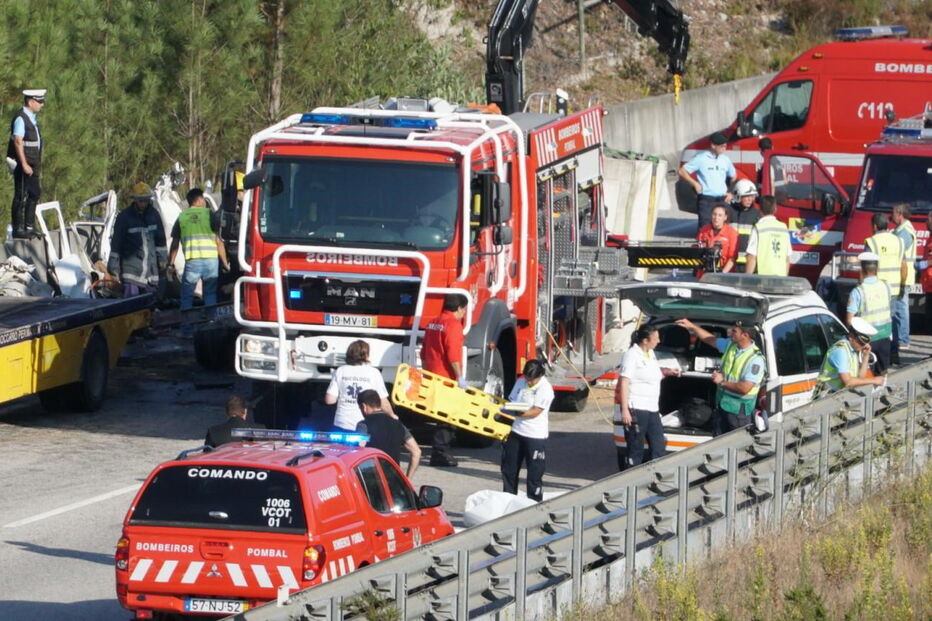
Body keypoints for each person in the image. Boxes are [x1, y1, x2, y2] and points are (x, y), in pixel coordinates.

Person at [674, 318, 765, 435]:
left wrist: (722, 382)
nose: (730, 332)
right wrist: (692, 326)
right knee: (718, 447)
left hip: (739, 414)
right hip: (722, 407)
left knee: (737, 448)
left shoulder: (755, 359)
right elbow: (710, 339)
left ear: (745, 335)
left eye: (734, 331)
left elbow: (745, 388)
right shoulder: (731, 345)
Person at [615, 325, 680, 470]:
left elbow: (651, 374)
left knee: (658, 446)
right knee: (636, 447)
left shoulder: (650, 353)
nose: (658, 341)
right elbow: (624, 382)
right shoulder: (632, 355)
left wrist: (668, 372)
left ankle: (653, 477)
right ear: (645, 340)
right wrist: (625, 409)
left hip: (652, 408)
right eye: (656, 338)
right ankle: (630, 481)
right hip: (636, 407)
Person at [421, 293, 469, 467]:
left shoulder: (433, 322)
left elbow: (424, 351)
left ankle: (439, 451)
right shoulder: (453, 325)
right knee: (448, 416)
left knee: (438, 414)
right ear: (460, 308)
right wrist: (460, 377)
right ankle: (440, 453)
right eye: (464, 310)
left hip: (432, 375)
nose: (464, 313)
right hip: (446, 378)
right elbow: (453, 355)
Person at [168, 188, 229, 313]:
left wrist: (170, 263)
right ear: (200, 200)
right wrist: (224, 262)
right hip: (211, 261)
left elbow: (175, 244)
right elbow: (218, 241)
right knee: (210, 294)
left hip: (192, 262)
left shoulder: (182, 217)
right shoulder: (209, 214)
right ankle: (211, 323)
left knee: (186, 296)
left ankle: (187, 328)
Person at [501, 359, 554, 502]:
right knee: (509, 469)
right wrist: (508, 410)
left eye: (532, 379)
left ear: (540, 376)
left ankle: (535, 503)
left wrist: (517, 414)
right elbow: (512, 401)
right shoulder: (521, 382)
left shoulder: (545, 388)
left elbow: (536, 411)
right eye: (527, 378)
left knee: (534, 475)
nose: (529, 382)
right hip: (517, 432)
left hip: (535, 436)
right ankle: (508, 500)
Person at [107, 182, 168, 297]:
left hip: (151, 273)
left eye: (146, 200)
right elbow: (116, 244)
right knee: (133, 309)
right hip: (131, 273)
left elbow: (161, 242)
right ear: (134, 200)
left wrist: (163, 261)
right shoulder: (124, 217)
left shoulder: (154, 215)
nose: (144, 203)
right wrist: (113, 268)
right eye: (141, 200)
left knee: (150, 308)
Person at [325, 340, 394, 431]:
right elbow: (383, 401)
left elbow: (330, 400)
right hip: (365, 424)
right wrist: (392, 416)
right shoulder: (374, 373)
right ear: (366, 355)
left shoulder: (341, 370)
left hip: (342, 423)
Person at [864, 212, 905, 363]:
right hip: (894, 288)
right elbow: (903, 265)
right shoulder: (899, 241)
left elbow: (866, 268)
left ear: (874, 226)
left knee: (876, 321)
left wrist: (862, 286)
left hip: (877, 290)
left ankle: (878, 355)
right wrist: (902, 285)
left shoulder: (871, 242)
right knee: (892, 321)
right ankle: (894, 353)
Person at [812, 317, 885, 398]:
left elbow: (859, 379)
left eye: (865, 343)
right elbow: (848, 382)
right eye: (861, 342)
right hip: (825, 398)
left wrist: (865, 357)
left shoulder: (851, 350)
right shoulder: (841, 351)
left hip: (836, 395)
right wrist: (873, 380)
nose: (864, 346)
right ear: (851, 337)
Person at [355, 389, 421, 478]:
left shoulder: (363, 425)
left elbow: (359, 447)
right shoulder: (398, 424)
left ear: (364, 406)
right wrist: (407, 480)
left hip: (372, 479)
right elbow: (416, 452)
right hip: (394, 480)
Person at [7, 88, 46, 239]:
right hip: (24, 164)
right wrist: (23, 164)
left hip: (33, 164)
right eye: (40, 101)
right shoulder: (21, 118)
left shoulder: (31, 118)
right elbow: (18, 141)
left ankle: (29, 226)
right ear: (31, 102)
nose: (42, 104)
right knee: (21, 195)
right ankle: (18, 228)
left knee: (34, 193)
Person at [678, 131, 736, 232]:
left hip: (722, 200)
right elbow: (682, 171)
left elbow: (734, 176)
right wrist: (695, 183)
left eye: (725, 146)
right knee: (706, 229)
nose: (724, 148)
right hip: (707, 201)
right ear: (713, 145)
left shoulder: (725, 159)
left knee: (723, 230)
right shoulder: (701, 158)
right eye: (722, 146)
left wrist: (730, 192)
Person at [845, 252, 892, 374]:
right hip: (885, 337)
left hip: (866, 341)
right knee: (882, 375)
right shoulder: (886, 286)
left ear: (861, 269)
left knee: (865, 377)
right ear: (877, 269)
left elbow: (849, 320)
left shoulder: (858, 291)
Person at [889, 203, 915, 360]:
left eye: (893, 212)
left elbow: (896, 250)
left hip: (903, 275)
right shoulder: (902, 230)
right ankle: (902, 338)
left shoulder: (905, 232)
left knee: (900, 308)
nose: (891, 216)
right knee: (899, 307)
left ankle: (903, 339)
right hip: (902, 274)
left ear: (900, 214)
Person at [745, 195, 791, 276]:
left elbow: (751, 257)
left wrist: (746, 278)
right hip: (780, 278)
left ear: (760, 210)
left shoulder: (758, 227)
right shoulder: (783, 228)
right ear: (775, 209)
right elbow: (787, 258)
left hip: (762, 278)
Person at [726, 179, 761, 269]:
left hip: (748, 264)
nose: (750, 199)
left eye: (752, 196)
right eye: (747, 196)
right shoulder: (728, 212)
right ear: (738, 196)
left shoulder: (757, 215)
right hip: (729, 263)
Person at [696, 204, 738, 274]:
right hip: (704, 274)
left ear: (725, 217)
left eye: (720, 215)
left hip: (724, 274)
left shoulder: (732, 233)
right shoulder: (704, 231)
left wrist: (722, 274)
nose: (716, 218)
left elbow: (732, 258)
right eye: (714, 214)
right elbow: (697, 251)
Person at [918, 211, 932, 330]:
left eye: (928, 219)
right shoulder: (929, 238)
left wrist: (924, 264)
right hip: (929, 283)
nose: (926, 222)